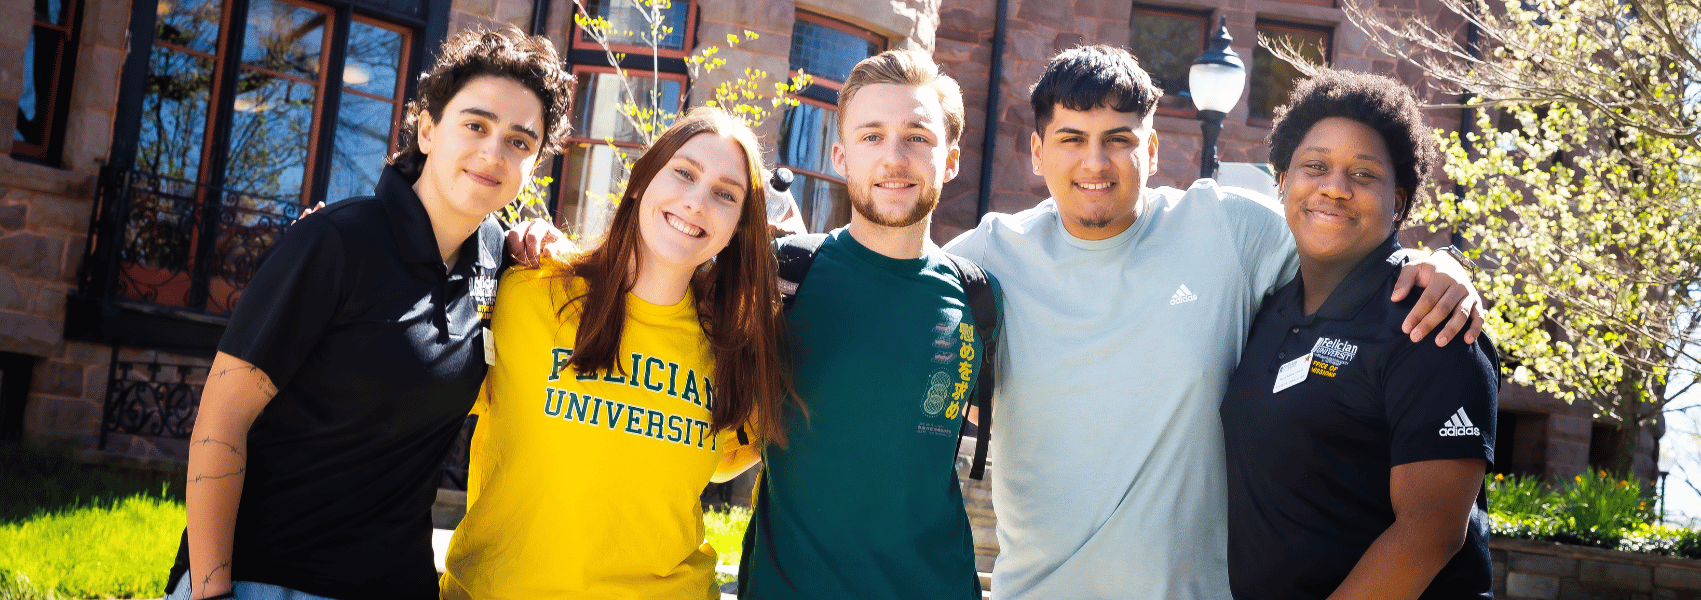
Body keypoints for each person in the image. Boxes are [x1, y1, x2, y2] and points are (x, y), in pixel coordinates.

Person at [942, 45, 1483, 600]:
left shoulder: (1227, 229)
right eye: (1072, 139)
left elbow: (1344, 236)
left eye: (1119, 139)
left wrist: (1442, 264)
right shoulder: (983, 259)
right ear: (1037, 152)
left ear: (1151, 150)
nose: (1095, 162)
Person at [166, 28, 572, 600]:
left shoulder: (498, 264)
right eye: (475, 125)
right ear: (428, 129)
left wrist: (535, 242)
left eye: (519, 141)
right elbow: (219, 424)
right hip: (267, 580)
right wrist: (211, 591)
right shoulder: (335, 243)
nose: (493, 152)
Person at [439, 106, 785, 599]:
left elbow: (730, 460)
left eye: (725, 195)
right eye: (683, 173)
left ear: (737, 227)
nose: (696, 202)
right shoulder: (527, 294)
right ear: (641, 182)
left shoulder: (739, 349)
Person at [1220, 69, 1497, 599]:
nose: (1334, 188)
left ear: (1398, 200)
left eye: (1363, 174)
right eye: (1315, 166)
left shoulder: (1429, 322)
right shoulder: (1268, 309)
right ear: (1282, 182)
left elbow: (1429, 534)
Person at [736, 50, 994, 600]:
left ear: (949, 159)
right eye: (871, 136)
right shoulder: (783, 276)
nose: (894, 158)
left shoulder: (980, 298)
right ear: (840, 156)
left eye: (917, 137)